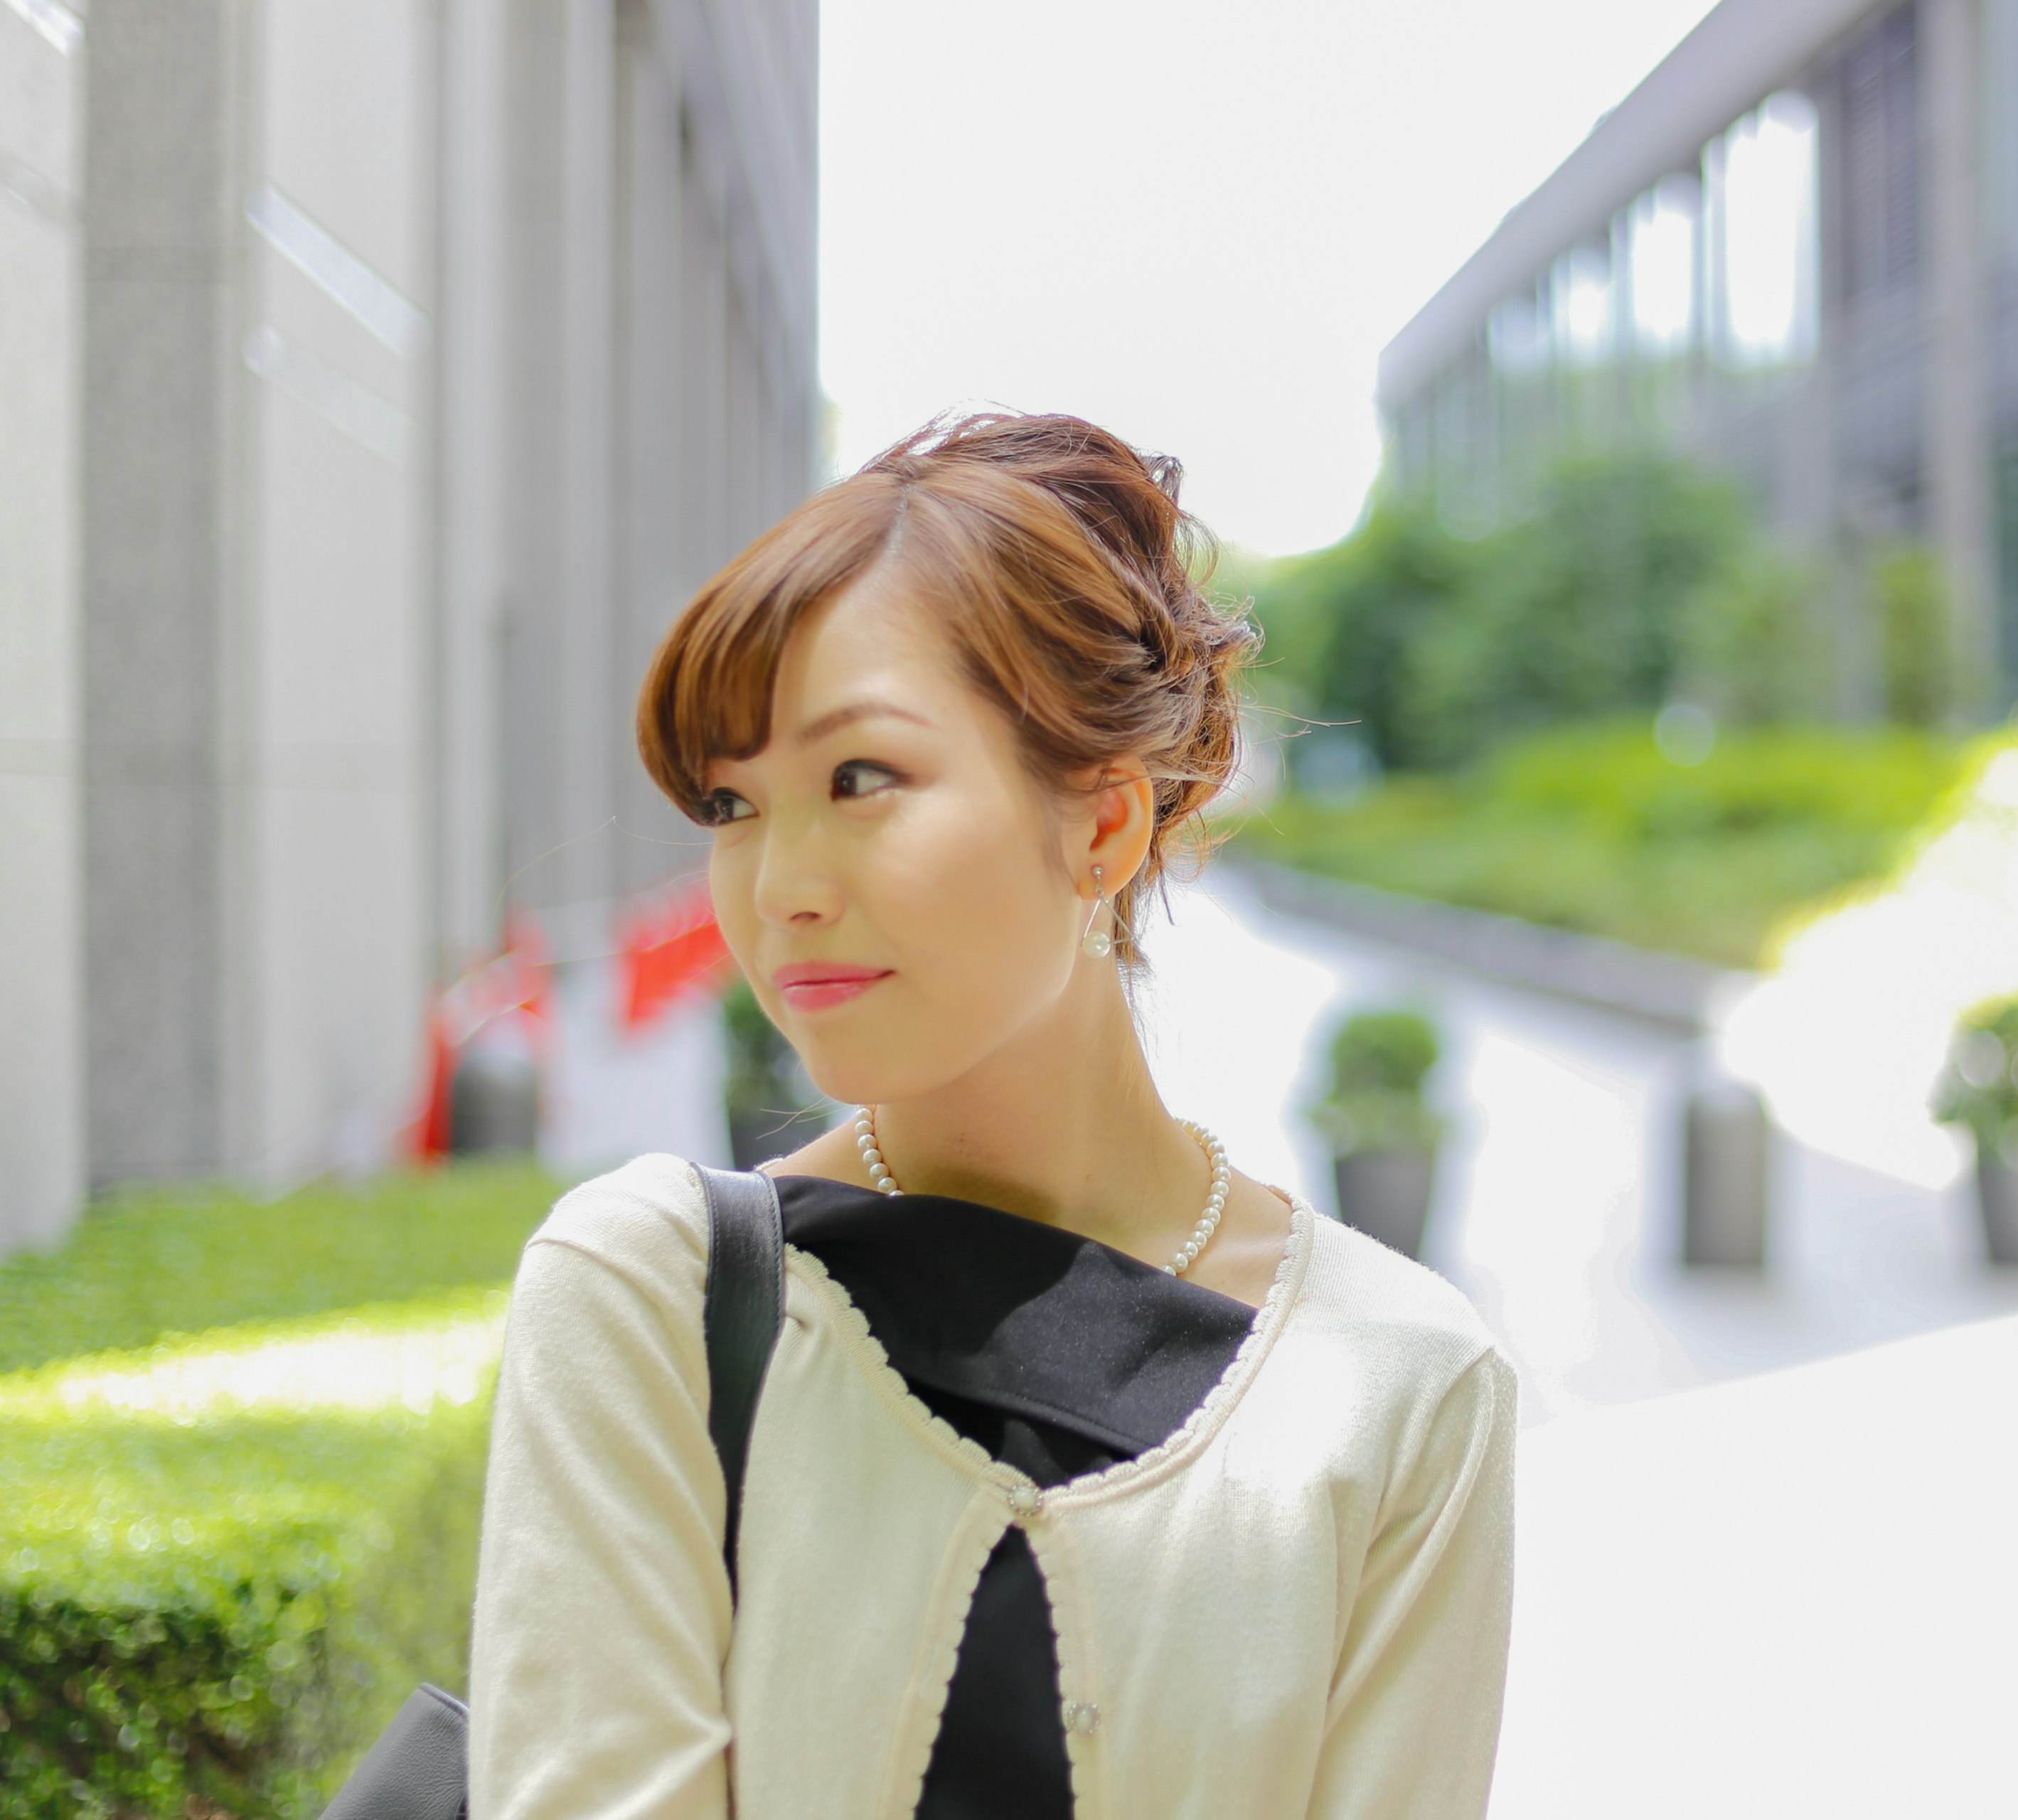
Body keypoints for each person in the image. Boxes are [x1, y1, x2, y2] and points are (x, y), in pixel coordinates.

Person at [465, 414, 1517, 1819]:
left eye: (861, 778)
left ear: (1103, 826)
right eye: (732, 799)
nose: (778, 883)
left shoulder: (1401, 1383)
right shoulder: (658, 1293)